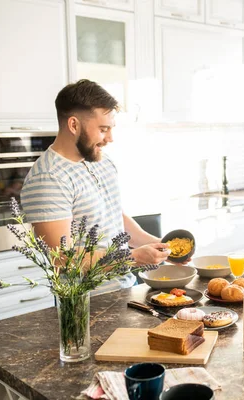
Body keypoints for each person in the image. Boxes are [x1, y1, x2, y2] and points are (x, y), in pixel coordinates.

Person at [20, 79, 177, 291]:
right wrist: (132, 258)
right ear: (73, 125)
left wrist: (162, 246)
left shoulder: (101, 161)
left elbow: (114, 217)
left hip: (125, 290)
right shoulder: (48, 178)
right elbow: (63, 260)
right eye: (103, 129)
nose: (110, 138)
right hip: (86, 305)